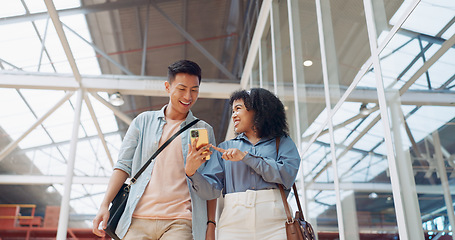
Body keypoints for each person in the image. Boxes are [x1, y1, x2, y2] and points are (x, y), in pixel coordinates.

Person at [92, 59, 217, 240]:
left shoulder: (203, 130)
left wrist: (210, 225)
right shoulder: (143, 121)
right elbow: (123, 166)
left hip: (180, 221)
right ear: (167, 87)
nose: (188, 96)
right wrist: (104, 205)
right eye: (182, 89)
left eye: (194, 90)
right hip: (136, 220)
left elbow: (211, 183)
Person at [185, 88, 301, 240]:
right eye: (232, 111)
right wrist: (192, 173)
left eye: (238, 109)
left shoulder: (283, 142)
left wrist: (247, 157)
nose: (233, 115)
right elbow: (210, 192)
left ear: (258, 110)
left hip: (275, 222)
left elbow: (286, 175)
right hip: (234, 221)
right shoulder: (225, 147)